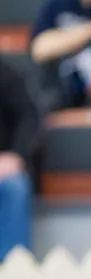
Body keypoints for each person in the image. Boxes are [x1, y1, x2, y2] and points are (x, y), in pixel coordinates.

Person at [0, 60, 40, 260]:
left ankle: (12, 278)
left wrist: (16, 155)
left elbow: (29, 116)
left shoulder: (5, 72)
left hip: (3, 168)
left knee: (16, 186)